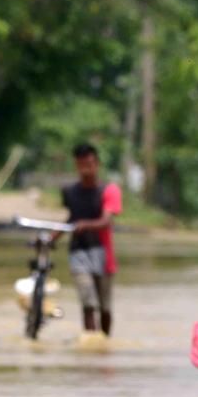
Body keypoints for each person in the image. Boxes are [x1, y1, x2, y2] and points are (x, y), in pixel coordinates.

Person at [59, 143, 122, 335]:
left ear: (97, 164)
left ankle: (104, 342)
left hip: (102, 254)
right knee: (88, 303)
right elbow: (71, 218)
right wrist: (52, 237)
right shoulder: (70, 192)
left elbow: (106, 221)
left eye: (88, 163)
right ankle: (91, 343)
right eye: (80, 164)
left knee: (105, 307)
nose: (85, 168)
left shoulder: (109, 190)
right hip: (78, 252)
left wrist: (85, 225)